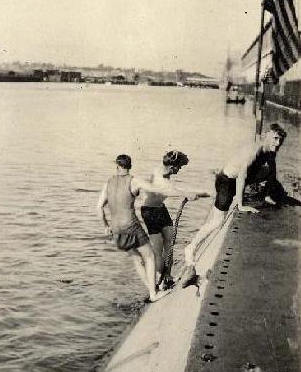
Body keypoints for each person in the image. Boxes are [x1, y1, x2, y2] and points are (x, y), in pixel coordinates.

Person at [182, 123, 287, 286]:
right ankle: (191, 247)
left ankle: (266, 195)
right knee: (218, 221)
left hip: (239, 179)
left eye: (280, 140)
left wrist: (267, 195)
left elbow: (272, 172)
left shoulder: (270, 152)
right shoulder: (255, 151)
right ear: (266, 135)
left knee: (269, 172)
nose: (278, 143)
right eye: (275, 138)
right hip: (226, 181)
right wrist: (240, 204)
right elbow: (241, 177)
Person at [97, 154, 171, 303]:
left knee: (137, 259)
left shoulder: (108, 183)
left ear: (117, 166)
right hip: (131, 225)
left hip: (116, 229)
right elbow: (154, 188)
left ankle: (152, 290)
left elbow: (98, 207)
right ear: (129, 167)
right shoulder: (134, 180)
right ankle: (153, 293)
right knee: (149, 257)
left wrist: (106, 226)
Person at [140, 150, 210, 288]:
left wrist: (201, 192)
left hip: (161, 208)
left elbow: (173, 188)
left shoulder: (166, 172)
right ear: (173, 167)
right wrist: (187, 193)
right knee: (158, 249)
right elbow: (170, 190)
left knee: (169, 243)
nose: (179, 170)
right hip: (149, 212)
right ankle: (159, 280)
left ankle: (168, 276)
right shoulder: (159, 175)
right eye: (179, 167)